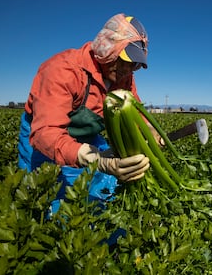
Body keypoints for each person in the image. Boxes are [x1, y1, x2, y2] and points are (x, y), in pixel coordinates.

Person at [18, 13, 160, 216]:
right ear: (106, 48)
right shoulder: (62, 70)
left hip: (89, 135)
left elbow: (135, 110)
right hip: (44, 138)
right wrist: (98, 160)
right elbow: (46, 133)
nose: (128, 70)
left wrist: (148, 130)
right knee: (46, 200)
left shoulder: (124, 77)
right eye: (125, 61)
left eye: (134, 65)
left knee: (99, 192)